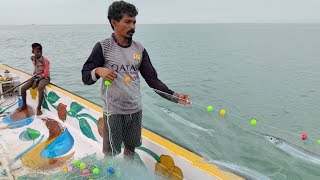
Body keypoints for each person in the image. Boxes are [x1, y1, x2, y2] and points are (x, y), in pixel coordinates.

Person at [81, 1, 191, 159]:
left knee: (131, 148)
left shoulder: (139, 49)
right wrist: (99, 70)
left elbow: (153, 80)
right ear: (114, 22)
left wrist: (175, 96)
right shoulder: (103, 47)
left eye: (134, 22)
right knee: (111, 152)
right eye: (127, 22)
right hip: (113, 111)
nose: (132, 27)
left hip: (135, 109)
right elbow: (86, 76)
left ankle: (127, 170)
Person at [18, 43, 50, 116]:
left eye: (40, 52)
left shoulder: (45, 61)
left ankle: (38, 108)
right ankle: (24, 105)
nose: (39, 53)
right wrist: (34, 77)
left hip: (45, 77)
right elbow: (36, 68)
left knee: (40, 87)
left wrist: (37, 81)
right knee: (23, 88)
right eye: (37, 52)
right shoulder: (32, 58)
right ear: (33, 52)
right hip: (36, 76)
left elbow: (46, 74)